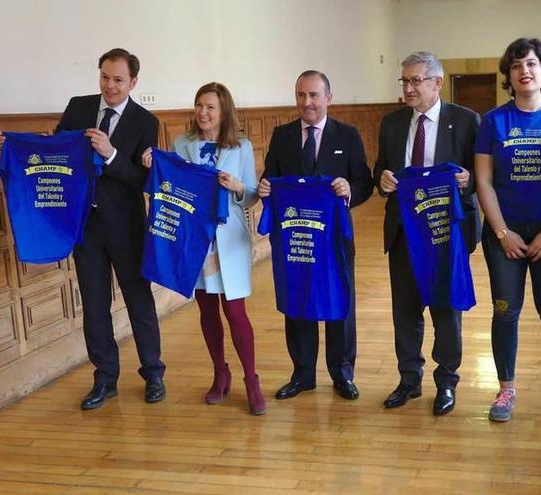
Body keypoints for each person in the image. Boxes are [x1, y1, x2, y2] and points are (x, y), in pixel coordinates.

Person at [474, 38, 541, 423]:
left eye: (532, 64)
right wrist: (502, 232)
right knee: (505, 311)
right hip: (505, 234)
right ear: (509, 75)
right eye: (517, 65)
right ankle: (505, 390)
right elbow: (484, 183)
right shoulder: (493, 122)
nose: (525, 70)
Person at [142, 82, 265, 415]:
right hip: (196, 242)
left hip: (230, 240)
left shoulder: (241, 147)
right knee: (207, 310)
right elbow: (171, 184)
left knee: (236, 313)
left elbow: (253, 196)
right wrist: (152, 163)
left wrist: (238, 187)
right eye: (199, 105)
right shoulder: (183, 144)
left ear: (224, 111)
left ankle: (251, 381)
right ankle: (219, 372)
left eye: (210, 107)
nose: (203, 112)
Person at [54, 48, 165, 410]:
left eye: (118, 79)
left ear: (133, 82)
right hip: (86, 225)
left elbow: (141, 180)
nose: (109, 86)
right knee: (95, 304)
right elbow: (58, 153)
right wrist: (19, 148)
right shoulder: (78, 107)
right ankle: (105, 379)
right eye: (104, 77)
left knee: (138, 300)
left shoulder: (145, 122)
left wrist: (111, 153)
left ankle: (153, 375)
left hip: (127, 226)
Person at [374, 51, 480, 416]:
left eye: (416, 80)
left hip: (445, 232)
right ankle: (409, 380)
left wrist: (469, 181)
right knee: (405, 309)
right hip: (404, 230)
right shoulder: (391, 123)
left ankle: (447, 381)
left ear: (437, 82)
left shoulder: (466, 121)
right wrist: (384, 181)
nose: (408, 88)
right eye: (404, 80)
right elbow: (379, 171)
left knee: (446, 308)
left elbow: (482, 176)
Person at [258, 70, 374, 401]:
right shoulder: (282, 136)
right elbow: (271, 178)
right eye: (300, 95)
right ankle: (302, 374)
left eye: (313, 95)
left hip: (335, 238)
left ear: (328, 98)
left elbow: (364, 182)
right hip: (296, 240)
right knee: (298, 300)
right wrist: (266, 187)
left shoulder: (347, 135)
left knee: (340, 303)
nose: (306, 102)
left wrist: (350, 189)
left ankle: (342, 374)